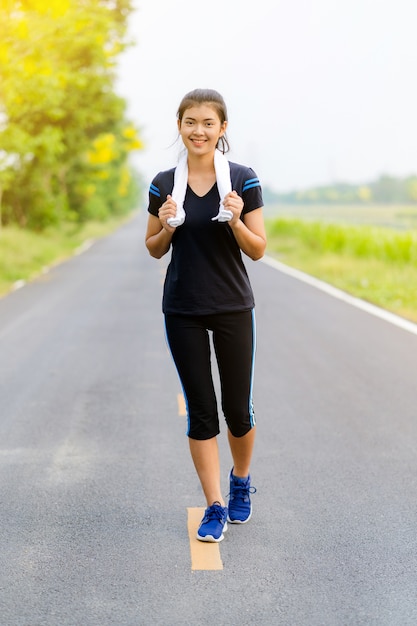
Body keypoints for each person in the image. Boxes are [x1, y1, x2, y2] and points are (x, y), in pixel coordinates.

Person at [145, 88, 266, 543]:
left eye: (207, 123)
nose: (199, 131)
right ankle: (214, 505)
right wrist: (166, 222)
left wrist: (235, 220)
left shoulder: (242, 179)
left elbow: (257, 250)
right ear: (180, 126)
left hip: (233, 304)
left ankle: (240, 480)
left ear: (222, 129)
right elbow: (153, 246)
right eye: (190, 122)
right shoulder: (162, 183)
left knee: (238, 409)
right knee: (201, 412)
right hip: (183, 308)